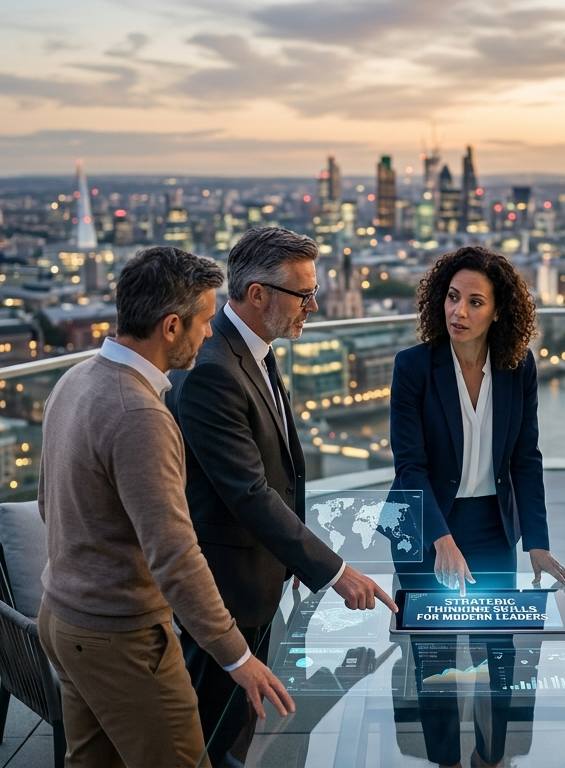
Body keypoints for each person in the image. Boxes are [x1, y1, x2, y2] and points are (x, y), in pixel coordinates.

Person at [36, 246, 293, 768]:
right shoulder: (140, 414)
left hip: (62, 620)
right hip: (123, 638)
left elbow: (48, 505)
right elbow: (175, 556)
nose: (209, 333)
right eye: (204, 320)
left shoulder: (75, 380)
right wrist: (237, 656)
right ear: (171, 326)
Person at [167, 226, 396, 765]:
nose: (314, 305)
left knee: (241, 726)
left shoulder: (253, 348)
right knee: (215, 734)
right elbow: (248, 492)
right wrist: (336, 572)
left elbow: (280, 470)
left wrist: (288, 554)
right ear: (257, 294)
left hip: (257, 571)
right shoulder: (212, 370)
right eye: (304, 294)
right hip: (225, 587)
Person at [388, 246, 565, 768]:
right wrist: (440, 539)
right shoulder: (413, 367)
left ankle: (493, 757)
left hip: (492, 524)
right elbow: (410, 468)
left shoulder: (518, 367)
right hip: (426, 525)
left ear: (498, 311)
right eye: (451, 298)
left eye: (474, 302)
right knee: (435, 656)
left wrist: (536, 542)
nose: (459, 313)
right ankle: (445, 760)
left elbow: (525, 458)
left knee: (501, 651)